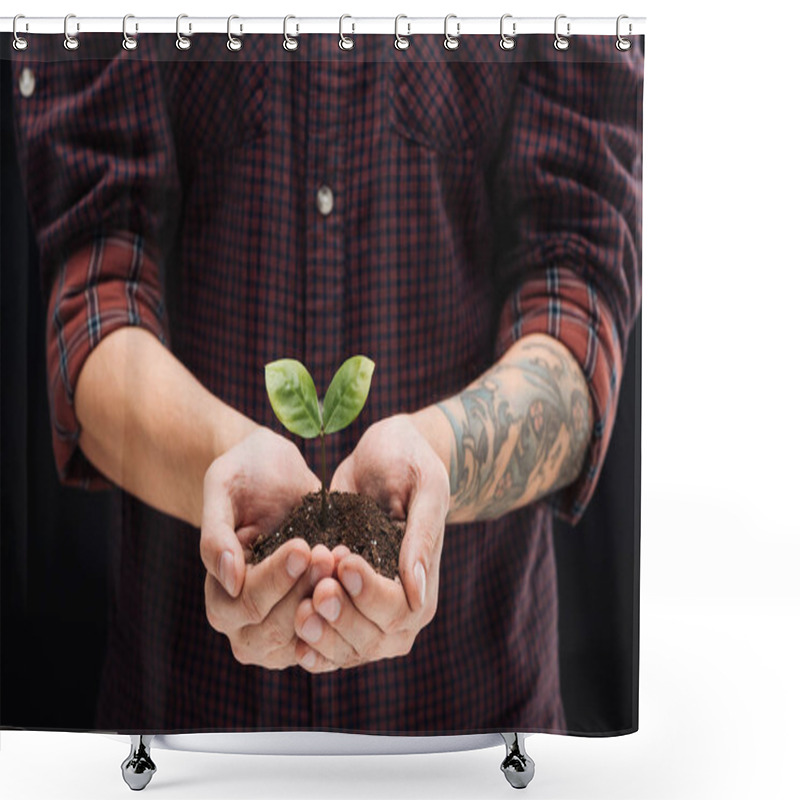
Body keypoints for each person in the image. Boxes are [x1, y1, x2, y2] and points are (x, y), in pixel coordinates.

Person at [12, 31, 642, 732]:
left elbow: (576, 295)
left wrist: (437, 459)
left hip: (474, 716)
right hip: (192, 723)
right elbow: (93, 290)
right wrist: (221, 458)